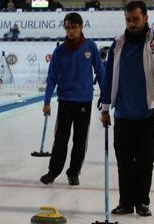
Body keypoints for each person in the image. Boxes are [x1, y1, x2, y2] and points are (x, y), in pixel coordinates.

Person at [100, 1, 154, 217]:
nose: (131, 24)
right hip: (123, 114)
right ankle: (126, 202)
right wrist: (105, 108)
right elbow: (109, 75)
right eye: (128, 20)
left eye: (135, 19)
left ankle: (142, 202)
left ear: (146, 18)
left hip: (148, 114)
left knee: (145, 162)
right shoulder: (118, 44)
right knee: (124, 163)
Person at [40, 12, 105, 186]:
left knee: (80, 139)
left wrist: (105, 95)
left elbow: (101, 72)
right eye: (67, 28)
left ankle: (74, 173)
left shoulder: (91, 47)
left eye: (73, 27)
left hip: (84, 100)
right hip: (66, 100)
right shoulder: (59, 51)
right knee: (61, 138)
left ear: (81, 27)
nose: (70, 31)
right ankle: (53, 172)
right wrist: (46, 101)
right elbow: (52, 77)